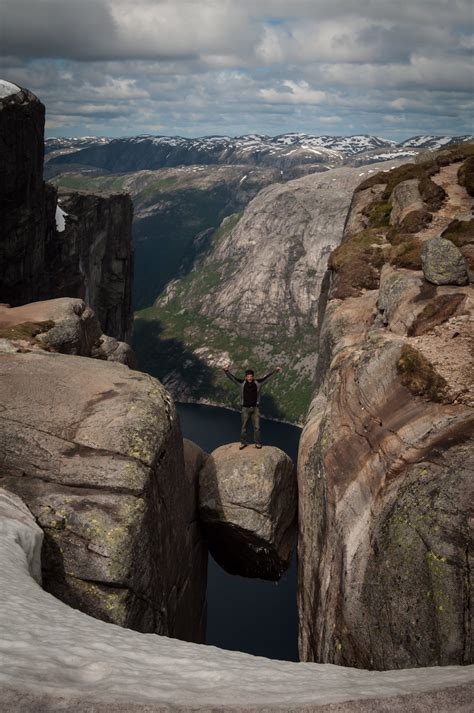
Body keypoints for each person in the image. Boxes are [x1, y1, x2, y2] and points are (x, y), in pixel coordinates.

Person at [223, 363, 281, 449]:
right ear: (246, 377)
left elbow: (267, 378)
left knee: (257, 427)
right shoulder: (242, 383)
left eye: (251, 376)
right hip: (245, 408)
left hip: (255, 408)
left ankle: (257, 443)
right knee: (244, 427)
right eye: (248, 376)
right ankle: (243, 443)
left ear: (253, 377)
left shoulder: (258, 383)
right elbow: (233, 378)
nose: (250, 378)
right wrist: (226, 371)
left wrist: (276, 371)